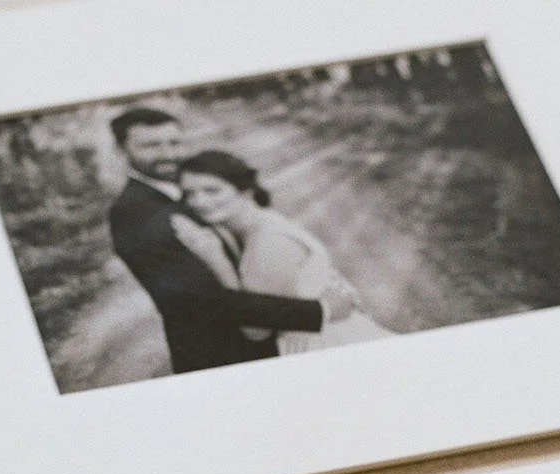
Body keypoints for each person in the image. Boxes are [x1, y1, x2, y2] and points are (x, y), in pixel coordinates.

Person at [104, 107, 353, 373]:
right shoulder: (134, 213)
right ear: (121, 150)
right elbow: (199, 300)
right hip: (220, 356)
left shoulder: (183, 192)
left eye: (174, 143)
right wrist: (320, 311)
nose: (168, 154)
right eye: (151, 146)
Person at [176, 150, 393, 355]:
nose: (199, 202)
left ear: (244, 190)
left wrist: (218, 262)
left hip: (327, 343)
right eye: (189, 193)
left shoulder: (268, 240)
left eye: (212, 190)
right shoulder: (258, 224)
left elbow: (255, 330)